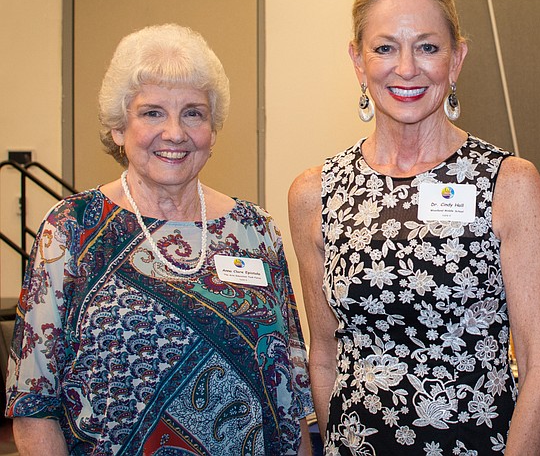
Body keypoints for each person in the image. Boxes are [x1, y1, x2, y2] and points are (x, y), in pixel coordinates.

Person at [288, 0, 540, 455]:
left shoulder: (509, 184)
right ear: (357, 60)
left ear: (456, 60)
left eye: (428, 47)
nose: (407, 68)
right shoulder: (315, 193)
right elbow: (324, 355)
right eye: (385, 47)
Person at [5, 24, 314, 455]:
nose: (175, 132)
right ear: (118, 128)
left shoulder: (255, 230)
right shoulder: (72, 229)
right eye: (152, 112)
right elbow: (33, 402)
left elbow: (290, 392)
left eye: (193, 112)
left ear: (212, 129)